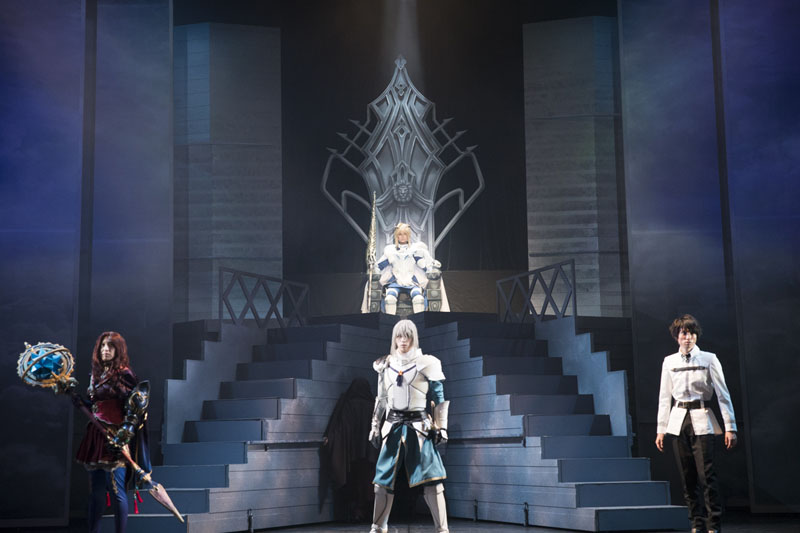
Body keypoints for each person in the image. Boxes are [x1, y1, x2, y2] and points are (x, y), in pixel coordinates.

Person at [655, 315, 737, 533]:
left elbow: (723, 395)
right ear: (677, 336)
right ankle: (696, 523)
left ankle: (713, 524)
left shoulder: (709, 359)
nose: (688, 337)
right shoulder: (669, 361)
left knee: (706, 475)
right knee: (687, 476)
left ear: (696, 335)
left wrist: (730, 427)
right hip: (678, 420)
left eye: (691, 333)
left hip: (702, 418)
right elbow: (664, 397)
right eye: (684, 333)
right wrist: (661, 430)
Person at [368, 319, 450, 533]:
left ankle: (442, 529)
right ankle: (378, 527)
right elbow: (381, 398)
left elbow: (438, 395)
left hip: (419, 427)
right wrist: (375, 426)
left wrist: (441, 427)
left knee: (433, 481)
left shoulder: (427, 362)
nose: (403, 340)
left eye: (407, 336)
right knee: (382, 482)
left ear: (414, 338)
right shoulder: (385, 364)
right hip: (393, 426)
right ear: (394, 338)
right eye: (399, 336)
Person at [74, 332, 151, 533]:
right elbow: (97, 406)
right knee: (96, 492)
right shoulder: (96, 375)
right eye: (102, 346)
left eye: (110, 346)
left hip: (116, 436)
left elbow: (137, 407)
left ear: (118, 350)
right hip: (96, 435)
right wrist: (82, 403)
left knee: (117, 491)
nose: (105, 350)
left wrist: (124, 434)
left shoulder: (125, 374)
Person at [376, 223, 440, 314]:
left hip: (412, 282)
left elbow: (424, 265)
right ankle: (390, 321)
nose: (402, 237)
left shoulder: (415, 250)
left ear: (408, 235)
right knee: (389, 299)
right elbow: (379, 266)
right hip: (395, 282)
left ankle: (419, 321)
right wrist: (373, 267)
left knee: (419, 299)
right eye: (400, 234)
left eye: (405, 234)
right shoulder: (391, 251)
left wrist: (431, 266)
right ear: (396, 236)